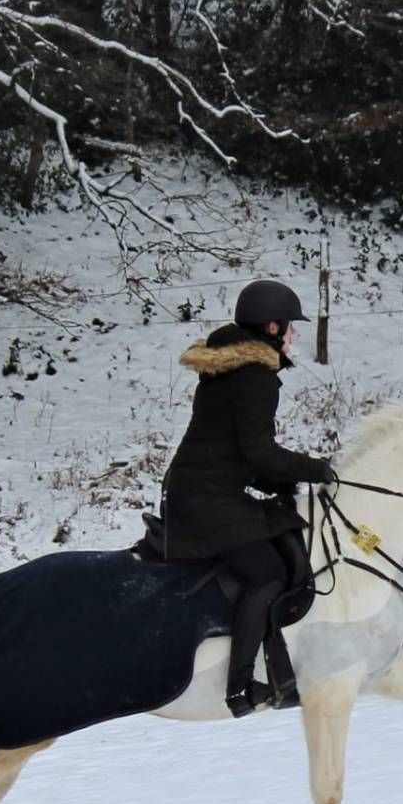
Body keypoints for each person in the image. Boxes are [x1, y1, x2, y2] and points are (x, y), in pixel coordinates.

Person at [161, 280, 336, 718]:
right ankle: (239, 687)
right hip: (205, 498)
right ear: (272, 327)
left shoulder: (228, 369)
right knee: (268, 574)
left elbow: (236, 449)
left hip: (202, 489)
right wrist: (318, 469)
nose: (293, 336)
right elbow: (259, 451)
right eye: (291, 328)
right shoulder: (257, 377)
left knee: (276, 535)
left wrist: (279, 482)